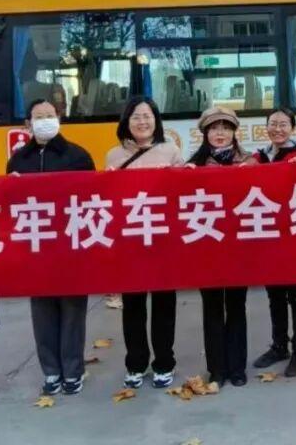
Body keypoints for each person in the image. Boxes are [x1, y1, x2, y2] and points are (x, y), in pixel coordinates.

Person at [7, 99, 96, 395]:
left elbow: (93, 199)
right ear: (28, 124)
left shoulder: (78, 156)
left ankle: (73, 371)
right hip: (36, 247)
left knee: (73, 311)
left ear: (59, 119)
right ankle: (51, 371)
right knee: (42, 310)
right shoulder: (18, 160)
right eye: (38, 117)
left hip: (71, 244)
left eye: (50, 115)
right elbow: (9, 205)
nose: (45, 120)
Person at [106, 96, 184, 390]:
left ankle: (164, 362)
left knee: (164, 305)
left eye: (147, 116)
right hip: (131, 242)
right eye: (136, 116)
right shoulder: (114, 155)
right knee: (133, 306)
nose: (142, 121)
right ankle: (136, 363)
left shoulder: (171, 150)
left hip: (163, 241)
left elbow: (184, 193)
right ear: (126, 122)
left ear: (156, 121)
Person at [188, 106, 252, 387]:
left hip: (239, 249)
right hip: (207, 249)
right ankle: (217, 368)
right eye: (214, 128)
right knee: (212, 307)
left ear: (234, 132)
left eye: (226, 128)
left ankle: (237, 367)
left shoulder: (250, 162)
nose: (220, 133)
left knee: (237, 306)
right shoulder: (193, 165)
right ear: (205, 133)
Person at [250, 107, 296, 378]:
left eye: (283, 124)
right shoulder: (257, 157)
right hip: (267, 236)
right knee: (274, 295)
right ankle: (279, 346)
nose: (277, 129)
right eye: (273, 124)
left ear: (293, 128)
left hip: (295, 238)